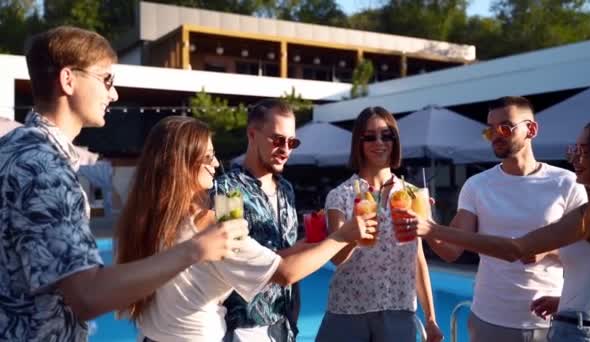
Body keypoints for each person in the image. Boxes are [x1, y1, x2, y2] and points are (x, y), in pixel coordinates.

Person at [0, 26, 248, 341]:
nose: (113, 94)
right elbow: (87, 295)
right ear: (68, 79)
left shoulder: (13, 149)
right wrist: (196, 249)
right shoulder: (44, 168)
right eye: (106, 80)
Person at [113, 116, 376, 342]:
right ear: (182, 164)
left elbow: (236, 263)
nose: (216, 164)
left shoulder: (140, 221)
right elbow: (285, 274)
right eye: (208, 156)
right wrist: (343, 236)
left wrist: (295, 250)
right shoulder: (209, 225)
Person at [405, 120, 590, 341]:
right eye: (574, 149)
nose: (575, 158)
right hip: (575, 321)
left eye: (584, 151)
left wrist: (431, 229)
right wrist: (567, 302)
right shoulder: (477, 185)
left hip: (581, 331)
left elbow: (515, 248)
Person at [315, 106, 443, 342]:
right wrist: (353, 234)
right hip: (348, 310)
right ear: (358, 143)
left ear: (395, 141)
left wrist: (431, 318)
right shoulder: (340, 195)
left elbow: (417, 259)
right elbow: (336, 258)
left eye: (386, 135)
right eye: (370, 136)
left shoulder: (412, 195)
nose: (379, 142)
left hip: (398, 310)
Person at [214, 99, 306, 341]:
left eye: (291, 142)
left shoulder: (286, 189)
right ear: (252, 135)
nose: (285, 149)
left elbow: (290, 251)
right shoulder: (227, 190)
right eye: (277, 140)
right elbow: (232, 257)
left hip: (284, 325)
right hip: (244, 328)